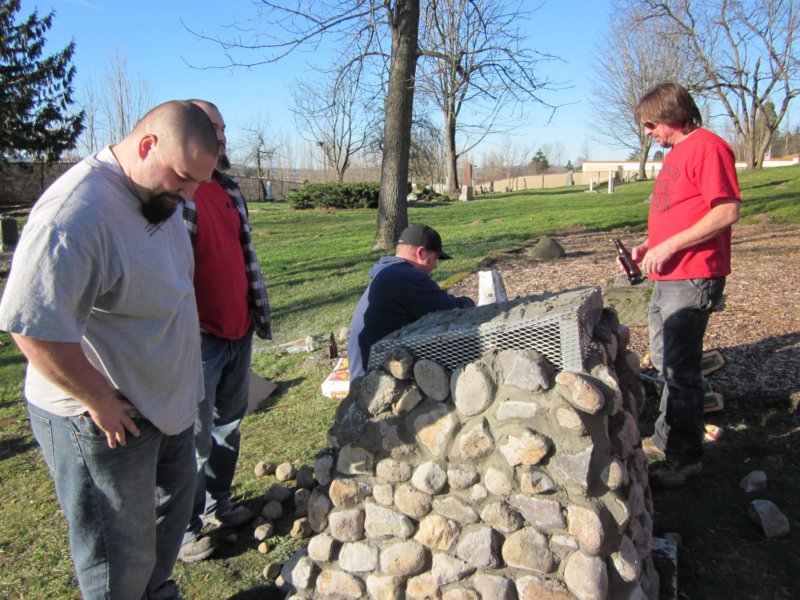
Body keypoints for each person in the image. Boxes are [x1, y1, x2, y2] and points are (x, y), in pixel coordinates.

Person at [0, 101, 219, 599]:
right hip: (103, 419)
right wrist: (99, 399)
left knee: (163, 539)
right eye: (183, 178)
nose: (189, 195)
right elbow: (30, 325)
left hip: (165, 409)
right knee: (117, 563)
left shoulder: (159, 197)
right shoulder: (76, 214)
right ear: (147, 146)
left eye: (198, 184)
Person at [631, 82, 740, 489]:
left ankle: (685, 459)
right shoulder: (676, 155)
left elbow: (727, 210)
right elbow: (680, 214)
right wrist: (649, 246)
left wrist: (672, 245)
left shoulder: (708, 147)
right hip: (668, 273)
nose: (647, 132)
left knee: (682, 370)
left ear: (673, 115)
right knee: (664, 363)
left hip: (692, 273)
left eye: (650, 123)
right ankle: (665, 439)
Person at [178, 100, 271, 562]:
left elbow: (243, 256)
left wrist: (253, 314)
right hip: (197, 337)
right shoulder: (179, 194)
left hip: (239, 329)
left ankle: (218, 505)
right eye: (212, 127)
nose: (221, 136)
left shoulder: (231, 188)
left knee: (228, 426)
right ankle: (184, 530)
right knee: (191, 437)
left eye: (222, 128)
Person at [348, 224, 475, 380]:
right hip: (372, 380)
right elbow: (450, 310)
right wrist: (469, 302)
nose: (435, 266)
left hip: (367, 369)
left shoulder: (390, 272)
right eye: (434, 258)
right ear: (421, 253)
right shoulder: (404, 276)